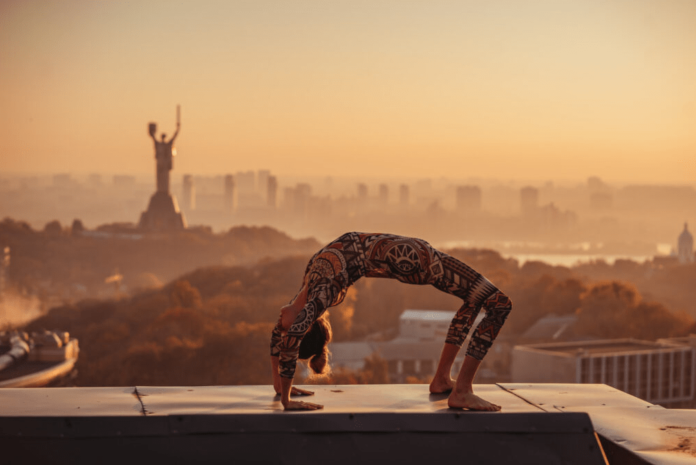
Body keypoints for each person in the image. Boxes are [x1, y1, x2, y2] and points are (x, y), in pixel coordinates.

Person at [270, 232, 513, 411]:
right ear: (305, 324)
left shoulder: (306, 291)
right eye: (284, 328)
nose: (279, 324)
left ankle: (442, 379)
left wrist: (280, 386)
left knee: (474, 300)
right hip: (414, 260)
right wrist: (287, 401)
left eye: (280, 328)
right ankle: (462, 390)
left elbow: (278, 339)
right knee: (500, 304)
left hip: (410, 254)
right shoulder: (320, 295)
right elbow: (291, 341)